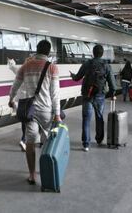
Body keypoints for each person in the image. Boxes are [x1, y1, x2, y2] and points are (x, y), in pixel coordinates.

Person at [8, 40, 61, 185]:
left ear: (37, 50)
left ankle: (32, 174)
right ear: (49, 52)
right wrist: (57, 113)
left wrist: (11, 99)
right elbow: (55, 94)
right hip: (46, 109)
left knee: (30, 142)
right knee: (47, 141)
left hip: (30, 109)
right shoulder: (52, 68)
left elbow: (15, 86)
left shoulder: (26, 65)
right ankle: (45, 171)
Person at [70, 45, 116, 152]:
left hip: (87, 95)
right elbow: (112, 84)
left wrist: (72, 75)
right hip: (100, 95)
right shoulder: (106, 65)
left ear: (93, 52)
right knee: (99, 117)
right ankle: (99, 139)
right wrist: (112, 93)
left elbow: (77, 78)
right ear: (102, 53)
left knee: (86, 119)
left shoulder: (87, 63)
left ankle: (86, 144)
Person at [7, 57, 29, 152]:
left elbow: (12, 66)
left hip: (21, 100)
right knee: (33, 119)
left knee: (24, 120)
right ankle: (28, 140)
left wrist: (10, 60)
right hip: (32, 101)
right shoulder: (34, 73)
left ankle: (24, 139)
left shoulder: (20, 70)